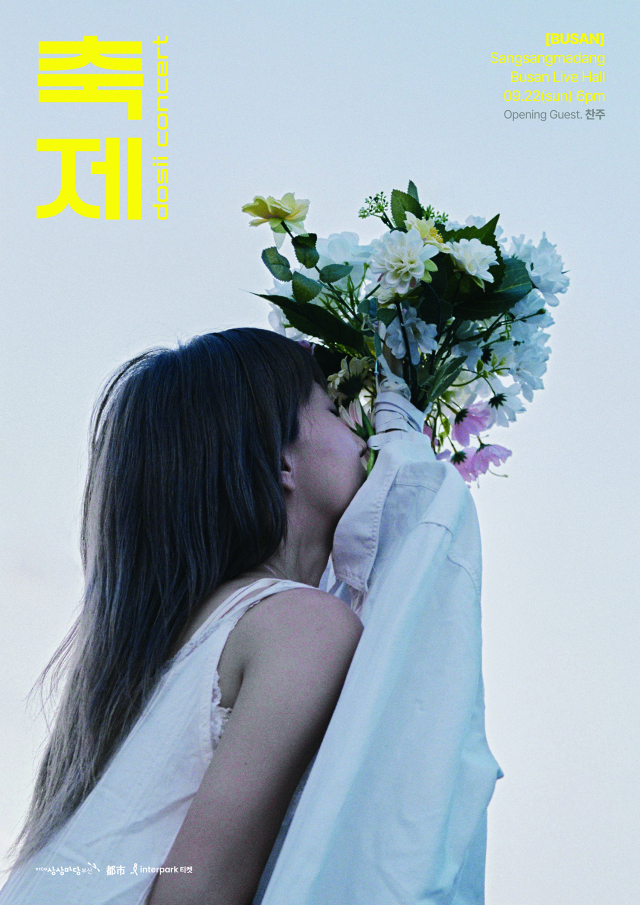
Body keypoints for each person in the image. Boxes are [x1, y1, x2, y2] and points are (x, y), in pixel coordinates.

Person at [0, 328, 369, 905]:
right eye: (332, 409)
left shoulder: (167, 641)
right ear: (280, 461)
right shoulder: (300, 625)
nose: (362, 431)